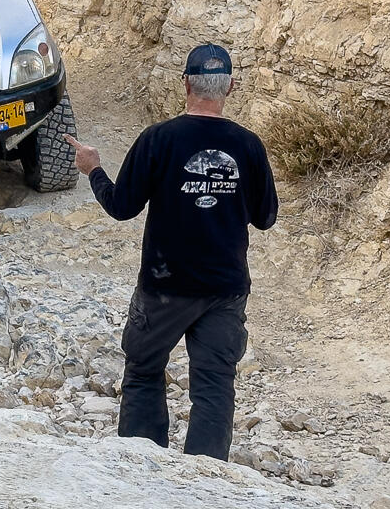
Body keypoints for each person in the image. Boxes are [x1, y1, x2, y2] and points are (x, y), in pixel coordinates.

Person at [63, 44, 278, 459]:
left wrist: (93, 169)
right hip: (225, 287)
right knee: (215, 384)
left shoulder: (158, 139)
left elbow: (122, 207)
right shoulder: (248, 145)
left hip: (164, 287)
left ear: (185, 83)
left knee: (144, 372)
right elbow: (265, 217)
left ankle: (142, 467)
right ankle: (206, 476)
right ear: (230, 87)